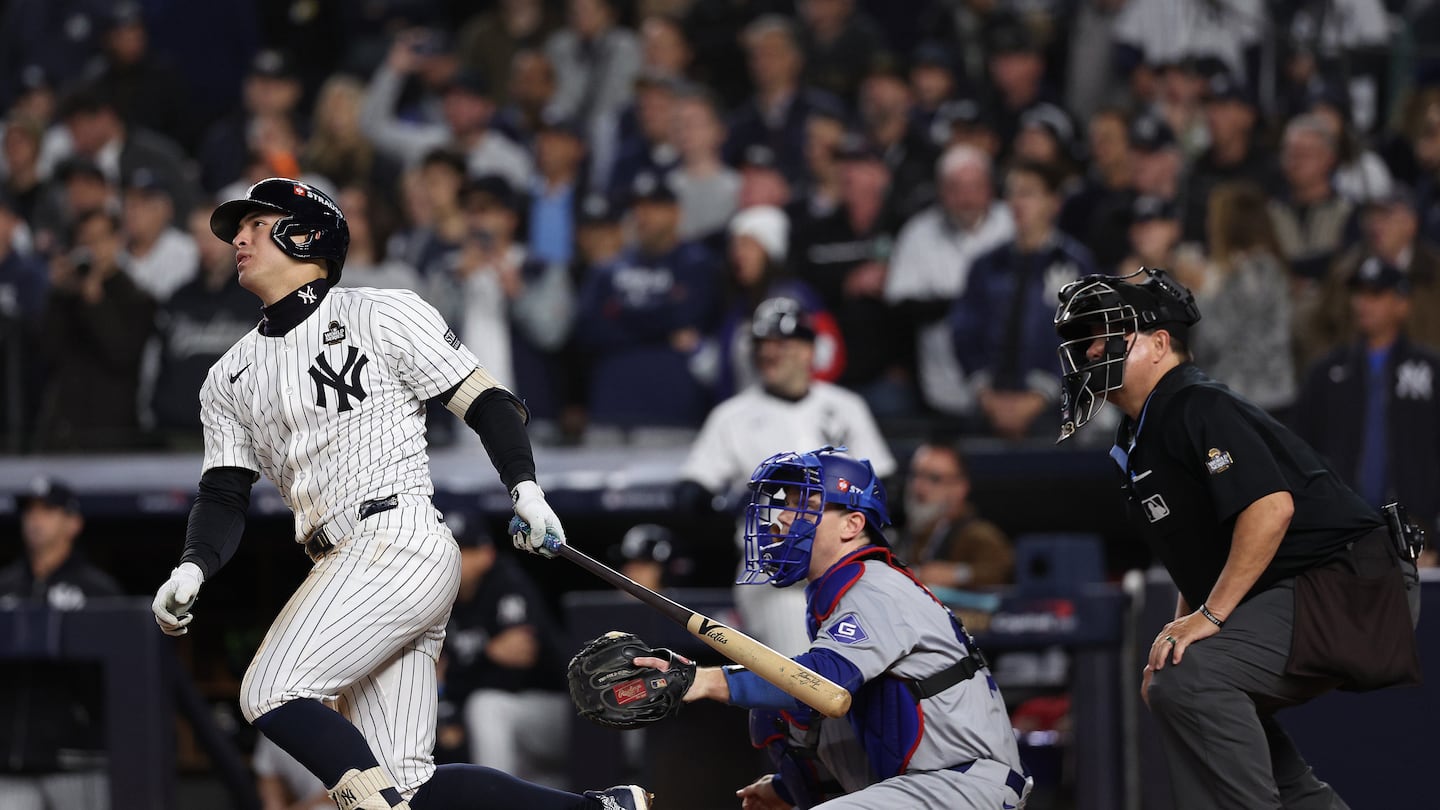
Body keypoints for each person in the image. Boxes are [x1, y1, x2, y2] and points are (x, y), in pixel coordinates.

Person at [148, 177, 652, 810]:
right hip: (339, 558)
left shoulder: (382, 311)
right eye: (237, 229)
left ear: (305, 235)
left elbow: (487, 399)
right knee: (407, 781)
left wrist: (523, 486)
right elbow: (223, 493)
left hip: (396, 538)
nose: (239, 237)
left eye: (255, 222)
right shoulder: (226, 376)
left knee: (270, 688)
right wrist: (193, 564)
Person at [1053, 266, 1422, 809]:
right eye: (1086, 343)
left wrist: (1209, 619)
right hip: (1307, 586)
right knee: (1179, 679)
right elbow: (1199, 557)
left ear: (1160, 344)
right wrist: (1184, 629)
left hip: (1349, 582)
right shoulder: (1140, 433)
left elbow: (1271, 510)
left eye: (1107, 338)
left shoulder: (1195, 402)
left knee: (1189, 682)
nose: (1090, 354)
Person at [649, 447, 1031, 808]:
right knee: (777, 711)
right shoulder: (849, 586)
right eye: (788, 505)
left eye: (807, 506)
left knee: (796, 690)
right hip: (932, 783)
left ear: (852, 524)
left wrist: (705, 680)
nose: (784, 517)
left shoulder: (873, 586)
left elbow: (821, 681)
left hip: (962, 784)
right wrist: (786, 788)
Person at [678, 297, 895, 656]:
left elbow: (886, 482)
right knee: (807, 677)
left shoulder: (846, 406)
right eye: (763, 344)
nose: (769, 354)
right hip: (773, 571)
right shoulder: (732, 416)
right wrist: (725, 505)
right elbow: (691, 492)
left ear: (810, 351)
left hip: (849, 562)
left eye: (782, 344)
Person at [1295, 258, 1440, 560]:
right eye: (1359, 294)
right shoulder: (1326, 373)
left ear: (1402, 304)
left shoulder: (1430, 370)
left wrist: (1435, 536)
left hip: (1415, 532)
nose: (1363, 303)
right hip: (1342, 534)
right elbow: (1301, 452)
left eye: (1376, 295)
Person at [0, 477, 123, 810]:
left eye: (48, 510)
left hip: (77, 761)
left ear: (73, 523)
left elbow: (120, 681)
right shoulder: (6, 587)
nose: (35, 520)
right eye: (30, 511)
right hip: (12, 763)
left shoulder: (98, 591)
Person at [443, 521, 572, 789]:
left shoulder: (507, 583)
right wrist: (487, 653)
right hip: (519, 730)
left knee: (487, 706)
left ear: (486, 554)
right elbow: (442, 675)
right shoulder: (444, 598)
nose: (451, 558)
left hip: (558, 713)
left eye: (462, 550)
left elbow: (518, 661)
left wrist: (464, 670)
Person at [897, 441, 1013, 590]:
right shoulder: (908, 532)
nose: (919, 487)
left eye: (934, 479)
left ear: (960, 487)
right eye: (916, 475)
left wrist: (958, 574)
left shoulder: (977, 534)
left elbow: (1005, 570)